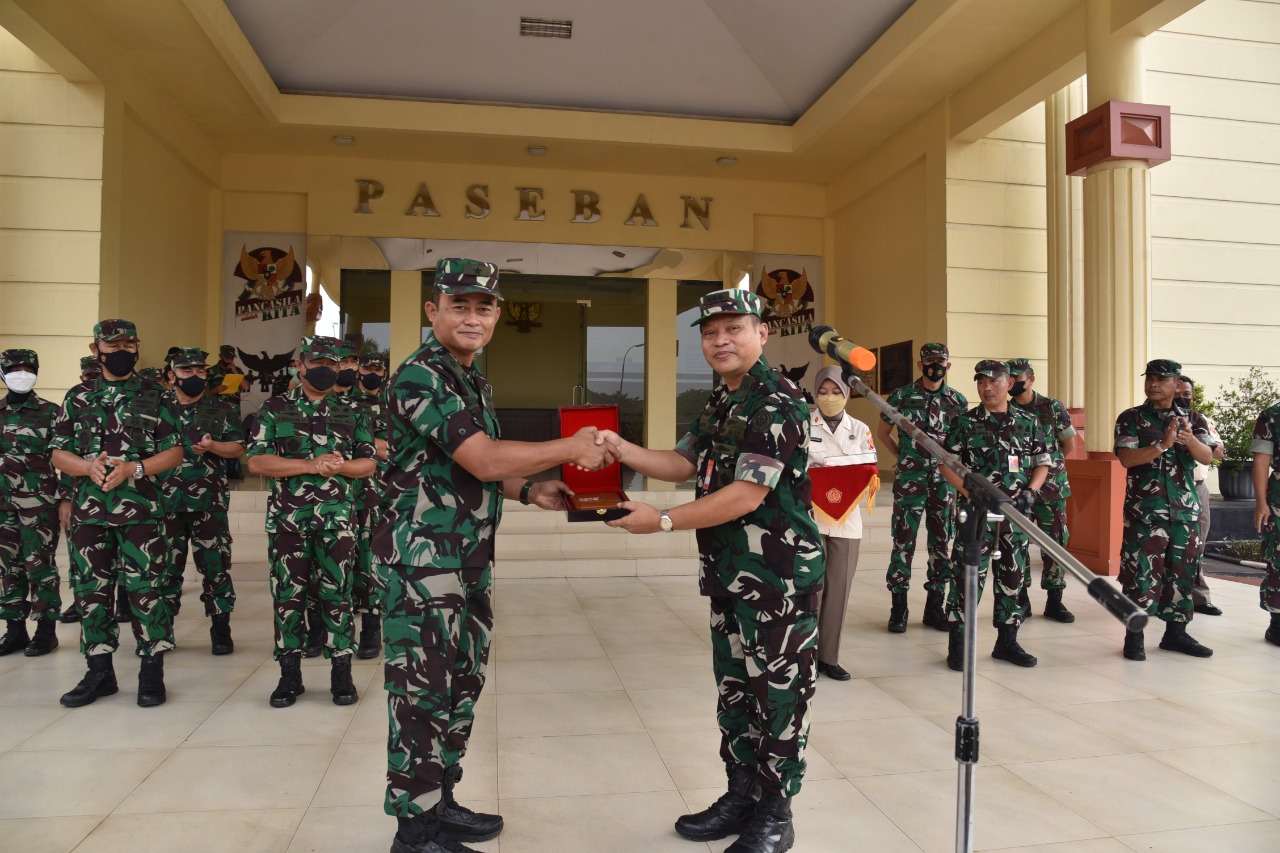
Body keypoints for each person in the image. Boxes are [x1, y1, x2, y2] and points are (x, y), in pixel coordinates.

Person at [374, 258, 611, 853]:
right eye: (459, 305)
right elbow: (484, 458)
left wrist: (531, 488)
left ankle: (442, 798)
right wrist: (570, 447)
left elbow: (473, 467)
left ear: (498, 315)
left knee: (460, 682)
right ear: (433, 312)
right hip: (422, 565)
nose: (473, 317)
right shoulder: (421, 377)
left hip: (466, 558)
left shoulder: (468, 379)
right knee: (421, 690)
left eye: (484, 307)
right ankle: (415, 830)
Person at [600, 288, 820, 853]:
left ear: (762, 333)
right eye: (710, 331)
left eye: (734, 329)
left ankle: (776, 812)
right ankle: (741, 793)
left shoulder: (776, 399)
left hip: (777, 579)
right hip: (730, 574)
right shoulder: (724, 400)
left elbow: (746, 495)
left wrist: (664, 521)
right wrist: (621, 449)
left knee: (778, 693)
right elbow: (682, 462)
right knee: (736, 691)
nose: (720, 340)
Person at [50, 319, 184, 708]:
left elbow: (174, 451)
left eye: (129, 343)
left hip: (142, 514)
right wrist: (86, 466)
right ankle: (99, 672)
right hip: (90, 515)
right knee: (92, 593)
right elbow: (58, 452)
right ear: (96, 350)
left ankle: (151, 670)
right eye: (114, 345)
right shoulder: (77, 397)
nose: (123, 350)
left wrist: (135, 468)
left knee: (147, 592)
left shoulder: (156, 396)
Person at [246, 335, 377, 708]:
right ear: (300, 365)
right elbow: (256, 461)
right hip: (288, 522)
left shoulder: (353, 410)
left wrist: (341, 466)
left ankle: (341, 675)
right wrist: (310, 465)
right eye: (317, 363)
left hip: (337, 520)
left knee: (338, 596)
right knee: (289, 598)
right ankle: (289, 677)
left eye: (332, 365)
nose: (325, 370)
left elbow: (368, 462)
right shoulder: (274, 408)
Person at [940, 359, 1050, 671]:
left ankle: (1007, 641)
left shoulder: (1028, 422)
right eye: (980, 382)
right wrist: (972, 495)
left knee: (1012, 577)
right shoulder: (964, 422)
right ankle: (958, 644)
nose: (986, 387)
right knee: (966, 579)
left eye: (993, 381)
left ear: (1008, 384)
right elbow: (946, 465)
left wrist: (1031, 492)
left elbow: (1043, 460)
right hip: (976, 517)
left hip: (1013, 516)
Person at [1114, 359, 1217, 661]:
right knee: (1140, 576)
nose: (1154, 384)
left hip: (1184, 512)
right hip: (1145, 513)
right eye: (1150, 378)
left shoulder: (1194, 418)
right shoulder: (1131, 417)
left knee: (1182, 575)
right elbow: (1127, 459)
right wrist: (1162, 444)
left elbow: (1208, 457)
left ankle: (1176, 634)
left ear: (1176, 383)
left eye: (1161, 379)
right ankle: (1134, 637)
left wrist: (1189, 440)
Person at [157, 348, 245, 654]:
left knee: (215, 567)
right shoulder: (157, 408)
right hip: (164, 504)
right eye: (187, 372)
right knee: (165, 568)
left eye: (200, 372)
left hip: (208, 502)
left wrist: (214, 446)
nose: (195, 377)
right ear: (172, 376)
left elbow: (237, 449)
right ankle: (161, 628)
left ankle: (221, 628)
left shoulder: (220, 407)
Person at [878, 343, 968, 633]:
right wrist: (904, 458)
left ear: (948, 366)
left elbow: (960, 444)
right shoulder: (901, 396)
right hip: (910, 482)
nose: (935, 365)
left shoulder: (958, 401)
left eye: (940, 361)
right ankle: (899, 608)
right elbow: (883, 433)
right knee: (903, 542)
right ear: (920, 365)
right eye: (929, 361)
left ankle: (934, 607)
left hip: (944, 485)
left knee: (941, 545)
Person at [806, 365, 876, 681]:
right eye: (823, 391)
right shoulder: (802, 425)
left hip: (847, 522)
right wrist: (836, 468)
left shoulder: (860, 429)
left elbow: (868, 468)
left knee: (838, 592)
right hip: (810, 518)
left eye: (836, 392)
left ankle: (828, 658)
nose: (830, 397)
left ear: (847, 393)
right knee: (810, 590)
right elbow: (799, 467)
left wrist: (829, 466)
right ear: (815, 392)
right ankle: (803, 655)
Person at [0, 349, 64, 657]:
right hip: (2, 506)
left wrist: (65, 498)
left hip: (39, 504)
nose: (21, 373)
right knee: (6, 567)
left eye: (28, 368)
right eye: (14, 368)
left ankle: (46, 630)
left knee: (39, 566)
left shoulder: (51, 412)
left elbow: (66, 458)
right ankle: (14, 630)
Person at [1007, 357, 1077, 622]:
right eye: (1010, 379)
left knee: (1055, 542)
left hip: (1051, 489)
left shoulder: (1052, 407)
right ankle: (1021, 598)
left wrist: (1052, 469)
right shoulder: (1005, 409)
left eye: (1019, 378)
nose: (1014, 384)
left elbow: (1068, 444)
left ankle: (1055, 600)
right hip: (1017, 488)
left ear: (1031, 379)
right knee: (1018, 543)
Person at [347, 353, 389, 659]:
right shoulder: (346, 402)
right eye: (367, 368)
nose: (372, 373)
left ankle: (372, 630)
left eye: (378, 369)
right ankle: (333, 631)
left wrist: (364, 446)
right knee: (339, 565)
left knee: (372, 563)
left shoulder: (391, 403)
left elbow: (395, 447)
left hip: (380, 494)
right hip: (341, 494)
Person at [58, 356, 102, 625]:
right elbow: (64, 457)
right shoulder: (76, 402)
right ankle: (78, 602)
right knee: (81, 557)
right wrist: (64, 497)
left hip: (125, 496)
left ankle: (122, 603)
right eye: (87, 376)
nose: (91, 380)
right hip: (83, 495)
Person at [1177, 375, 1224, 616]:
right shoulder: (1152, 420)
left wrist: (1195, 441)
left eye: (1187, 393)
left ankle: (1199, 598)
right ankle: (1167, 598)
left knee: (1198, 545)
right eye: (1179, 391)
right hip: (1168, 490)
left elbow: (1217, 452)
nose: (1183, 396)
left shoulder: (1200, 420)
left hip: (1197, 488)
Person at [1251, 401, 1280, 645]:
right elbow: (1261, 460)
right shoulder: (1272, 415)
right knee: (1278, 558)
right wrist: (1261, 502)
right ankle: (1277, 623)